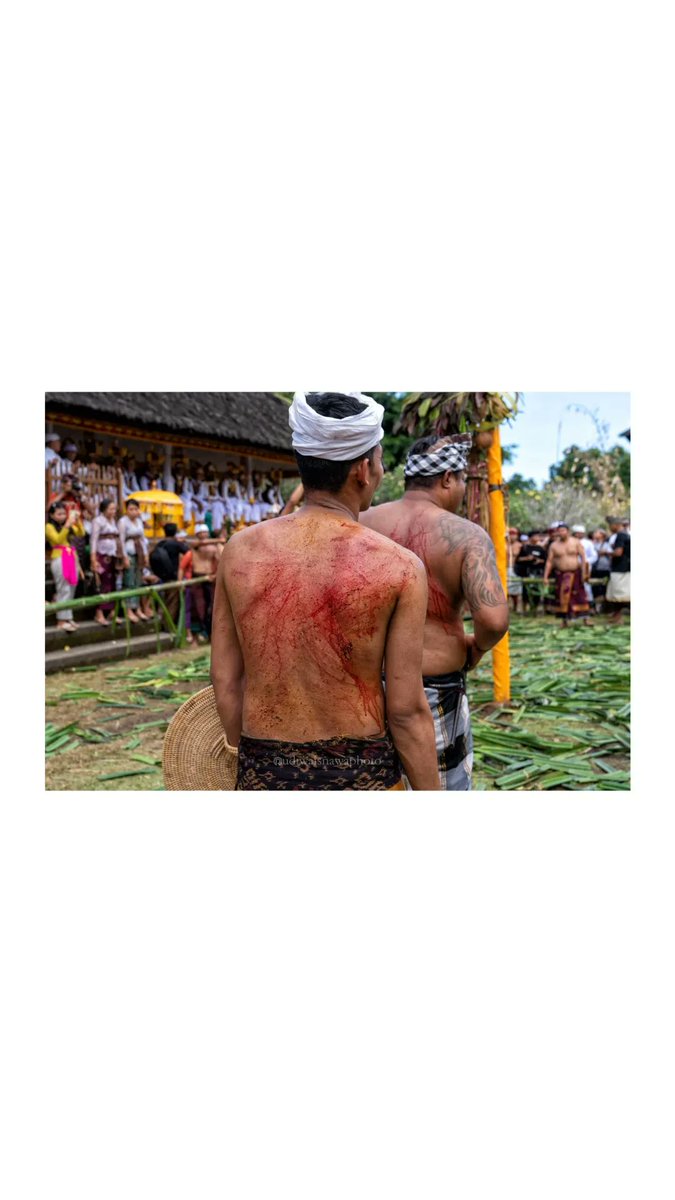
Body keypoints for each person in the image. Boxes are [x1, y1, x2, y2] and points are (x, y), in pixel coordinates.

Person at [210, 391, 441, 791]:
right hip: (360, 773)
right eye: (380, 459)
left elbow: (225, 679)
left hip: (265, 768)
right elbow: (406, 711)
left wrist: (250, 764)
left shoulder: (240, 551)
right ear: (364, 470)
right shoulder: (399, 567)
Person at [361, 432, 509, 790]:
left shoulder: (361, 523)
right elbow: (493, 620)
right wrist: (476, 648)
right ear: (447, 478)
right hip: (434, 690)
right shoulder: (467, 535)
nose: (462, 489)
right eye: (462, 480)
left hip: (364, 688)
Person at [45, 501, 85, 632]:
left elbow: (81, 533)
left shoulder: (66, 525)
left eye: (64, 513)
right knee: (63, 589)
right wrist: (67, 525)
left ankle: (68, 617)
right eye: (59, 514)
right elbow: (57, 540)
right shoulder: (48, 527)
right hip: (59, 557)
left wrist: (77, 521)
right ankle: (61, 620)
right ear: (52, 515)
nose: (62, 516)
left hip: (71, 556)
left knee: (72, 587)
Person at [543, 523, 591, 626]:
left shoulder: (576, 542)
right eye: (559, 531)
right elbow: (549, 561)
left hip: (576, 573)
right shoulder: (554, 545)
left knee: (580, 596)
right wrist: (545, 577)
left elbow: (583, 558)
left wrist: (584, 573)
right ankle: (564, 621)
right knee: (562, 598)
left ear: (568, 531)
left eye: (563, 530)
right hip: (561, 574)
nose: (561, 533)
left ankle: (585, 619)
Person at [118, 498, 153, 622]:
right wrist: (124, 557)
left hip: (139, 552)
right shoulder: (123, 522)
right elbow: (121, 540)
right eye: (131, 509)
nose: (133, 511)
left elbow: (143, 538)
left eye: (135, 509)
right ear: (126, 510)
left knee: (138, 580)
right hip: (129, 552)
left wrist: (146, 554)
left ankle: (137, 607)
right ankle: (128, 609)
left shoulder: (139, 521)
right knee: (129, 580)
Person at [90, 498, 121, 625]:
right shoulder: (97, 521)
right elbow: (93, 539)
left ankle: (111, 611)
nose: (113, 511)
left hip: (112, 554)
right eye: (110, 509)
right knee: (102, 583)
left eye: (114, 509)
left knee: (112, 583)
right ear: (104, 509)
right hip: (101, 555)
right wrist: (93, 558)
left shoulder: (113, 521)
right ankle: (99, 613)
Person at [606, 518, 631, 622]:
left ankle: (618, 617)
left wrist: (605, 553)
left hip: (620, 568)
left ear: (615, 525)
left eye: (610, 526)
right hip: (625, 567)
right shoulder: (626, 535)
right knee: (619, 593)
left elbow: (618, 553)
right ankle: (617, 615)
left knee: (619, 594)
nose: (609, 528)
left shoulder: (620, 535)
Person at [506, 527, 523, 613]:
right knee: (505, 589)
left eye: (514, 533)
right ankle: (505, 608)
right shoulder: (503, 544)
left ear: (518, 535)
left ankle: (516, 607)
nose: (512, 535)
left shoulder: (520, 545)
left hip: (515, 569)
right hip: (504, 568)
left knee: (515, 590)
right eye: (510, 533)